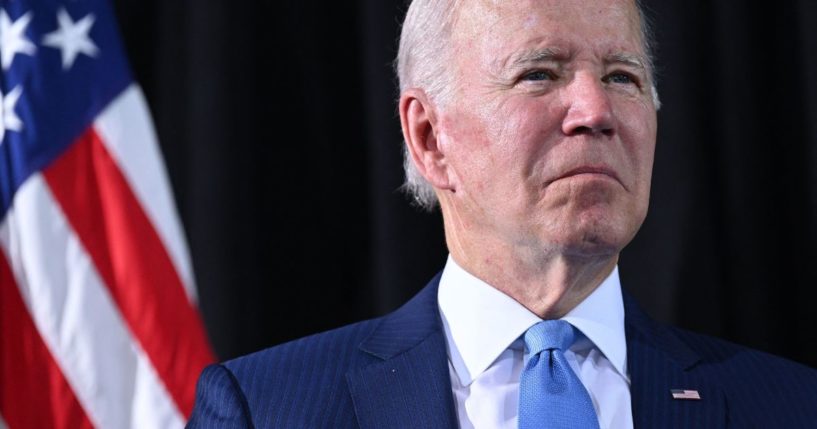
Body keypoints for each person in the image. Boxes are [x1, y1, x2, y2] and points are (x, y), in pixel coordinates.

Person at [187, 0, 817, 427]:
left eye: (623, 77)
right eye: (540, 74)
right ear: (431, 138)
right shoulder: (269, 410)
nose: (595, 110)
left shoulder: (788, 406)